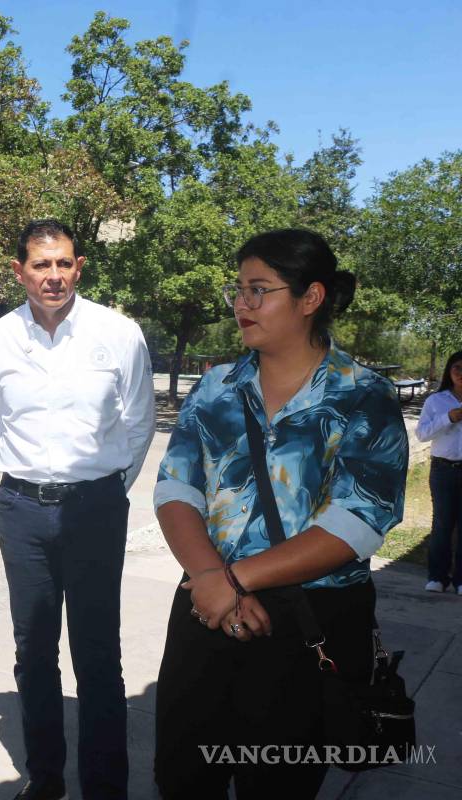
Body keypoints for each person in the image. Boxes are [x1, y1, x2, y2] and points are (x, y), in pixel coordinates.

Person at [152, 228, 408, 798]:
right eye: (238, 290)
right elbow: (176, 488)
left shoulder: (362, 395)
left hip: (311, 620)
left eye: (259, 290)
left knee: (280, 782)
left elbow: (359, 519)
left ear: (310, 298)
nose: (242, 305)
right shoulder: (217, 387)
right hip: (207, 608)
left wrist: (235, 579)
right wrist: (211, 580)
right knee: (184, 775)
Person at [0, 219, 156, 800]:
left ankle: (105, 788)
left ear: (79, 267)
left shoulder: (118, 334)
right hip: (23, 511)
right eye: (40, 265)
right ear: (19, 271)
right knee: (32, 650)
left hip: (95, 510)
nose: (52, 276)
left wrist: (102, 489)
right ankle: (46, 778)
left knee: (99, 653)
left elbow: (137, 424)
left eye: (62, 264)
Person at [415, 350, 462, 593]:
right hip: (443, 470)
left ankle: (461, 580)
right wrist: (448, 418)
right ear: (449, 371)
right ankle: (437, 576)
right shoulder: (437, 401)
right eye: (457, 368)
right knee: (442, 523)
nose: (461, 374)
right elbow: (422, 434)